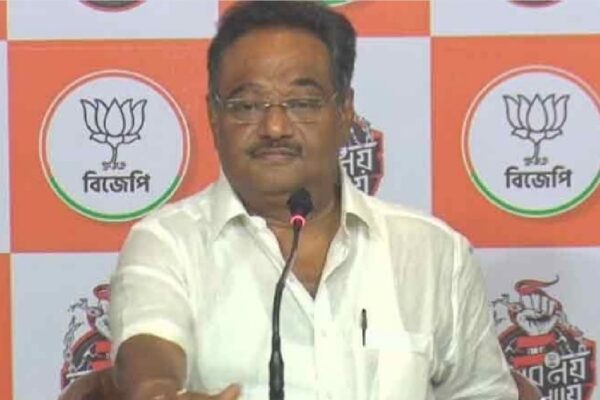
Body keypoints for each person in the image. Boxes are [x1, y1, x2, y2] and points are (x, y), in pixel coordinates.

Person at [63, 2, 519, 399]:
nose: (275, 128)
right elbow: (149, 347)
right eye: (247, 105)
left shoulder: (432, 252)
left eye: (301, 103)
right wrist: (159, 393)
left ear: (345, 112)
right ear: (214, 116)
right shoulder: (168, 242)